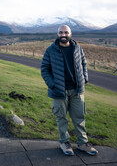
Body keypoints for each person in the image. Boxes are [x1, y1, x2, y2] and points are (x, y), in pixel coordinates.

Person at [41, 25, 98, 156]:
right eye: (61, 32)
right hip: (59, 91)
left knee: (79, 117)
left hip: (77, 90)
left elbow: (84, 63)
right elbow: (44, 69)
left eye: (66, 32)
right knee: (61, 118)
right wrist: (52, 84)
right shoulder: (50, 50)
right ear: (57, 34)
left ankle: (83, 143)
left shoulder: (78, 48)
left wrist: (85, 79)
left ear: (70, 34)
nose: (63, 34)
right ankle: (64, 142)